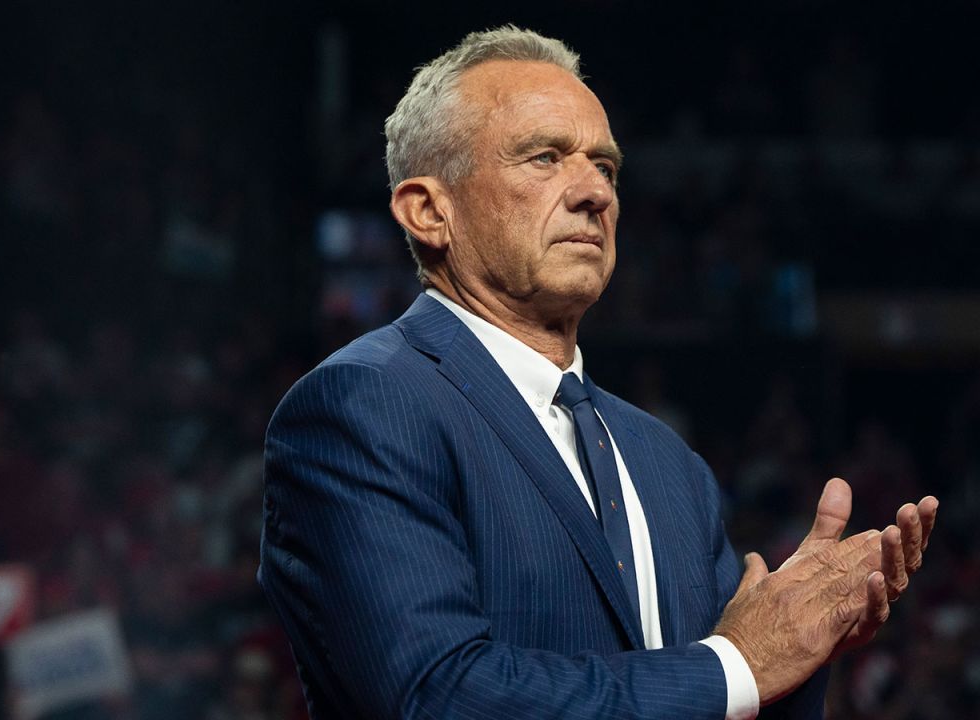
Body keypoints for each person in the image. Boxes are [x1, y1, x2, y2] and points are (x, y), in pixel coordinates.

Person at [258, 25, 939, 719]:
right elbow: (435, 696)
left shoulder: (669, 463)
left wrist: (803, 646)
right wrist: (738, 662)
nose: (595, 194)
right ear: (430, 211)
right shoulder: (363, 407)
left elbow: (728, 695)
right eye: (545, 157)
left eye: (605, 167)